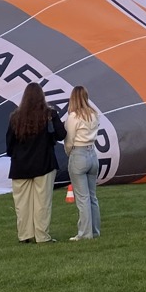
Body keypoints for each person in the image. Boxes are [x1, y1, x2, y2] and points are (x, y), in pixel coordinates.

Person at [6, 84, 66, 243]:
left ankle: (24, 235)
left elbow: (9, 143)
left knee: (22, 203)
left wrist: (16, 156)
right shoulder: (48, 114)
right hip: (44, 163)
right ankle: (42, 236)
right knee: (42, 202)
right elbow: (61, 134)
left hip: (20, 166)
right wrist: (52, 128)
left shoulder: (15, 117)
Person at [63, 85, 102, 241]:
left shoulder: (73, 117)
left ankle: (84, 233)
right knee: (92, 196)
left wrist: (69, 153)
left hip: (78, 153)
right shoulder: (94, 114)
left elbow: (69, 139)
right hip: (92, 153)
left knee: (82, 198)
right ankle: (95, 230)